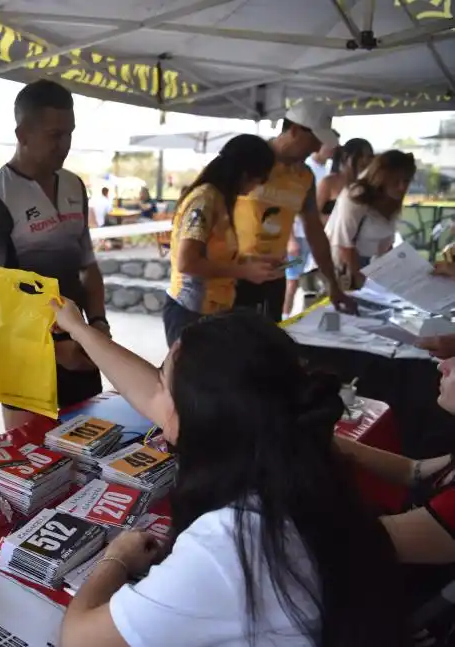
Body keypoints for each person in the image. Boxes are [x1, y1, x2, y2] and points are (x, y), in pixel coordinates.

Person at [51, 304, 406, 647]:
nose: (156, 398)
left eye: (164, 382)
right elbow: (153, 395)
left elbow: (80, 639)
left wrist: (117, 558)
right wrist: (79, 328)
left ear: (194, 418)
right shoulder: (300, 460)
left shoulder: (227, 546)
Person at [0, 79, 105, 430]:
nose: (65, 145)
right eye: (55, 135)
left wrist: (98, 324)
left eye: (69, 133)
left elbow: (88, 267)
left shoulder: (74, 185)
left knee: (92, 453)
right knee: (32, 461)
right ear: (22, 134)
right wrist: (53, 349)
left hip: (80, 350)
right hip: (25, 363)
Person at [334, 355, 455, 639]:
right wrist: (330, 442)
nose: (443, 365)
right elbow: (414, 471)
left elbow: (358, 540)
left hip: (412, 612)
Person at [232, 100, 354, 321]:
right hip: (233, 275)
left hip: (273, 277)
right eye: (314, 141)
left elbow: (314, 230)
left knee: (268, 338)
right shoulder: (249, 159)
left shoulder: (304, 176)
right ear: (295, 130)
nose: (316, 148)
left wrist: (332, 284)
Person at [162, 134, 279, 345]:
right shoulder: (204, 199)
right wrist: (244, 272)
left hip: (214, 310)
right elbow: (187, 263)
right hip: (191, 310)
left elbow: (216, 255)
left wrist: (252, 263)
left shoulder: (221, 200)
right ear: (245, 173)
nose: (256, 188)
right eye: (259, 179)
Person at [326, 149, 416, 289]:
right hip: (344, 264)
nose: (402, 187)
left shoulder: (392, 200)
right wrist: (358, 278)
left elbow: (387, 242)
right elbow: (343, 242)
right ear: (382, 178)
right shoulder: (356, 195)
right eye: (396, 181)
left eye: (406, 181)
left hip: (372, 264)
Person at [282, 140, 352, 317]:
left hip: (316, 238)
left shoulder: (316, 172)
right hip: (298, 238)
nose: (332, 148)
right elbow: (287, 209)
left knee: (307, 278)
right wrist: (291, 239)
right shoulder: (311, 173)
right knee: (292, 279)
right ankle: (285, 315)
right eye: (328, 144)